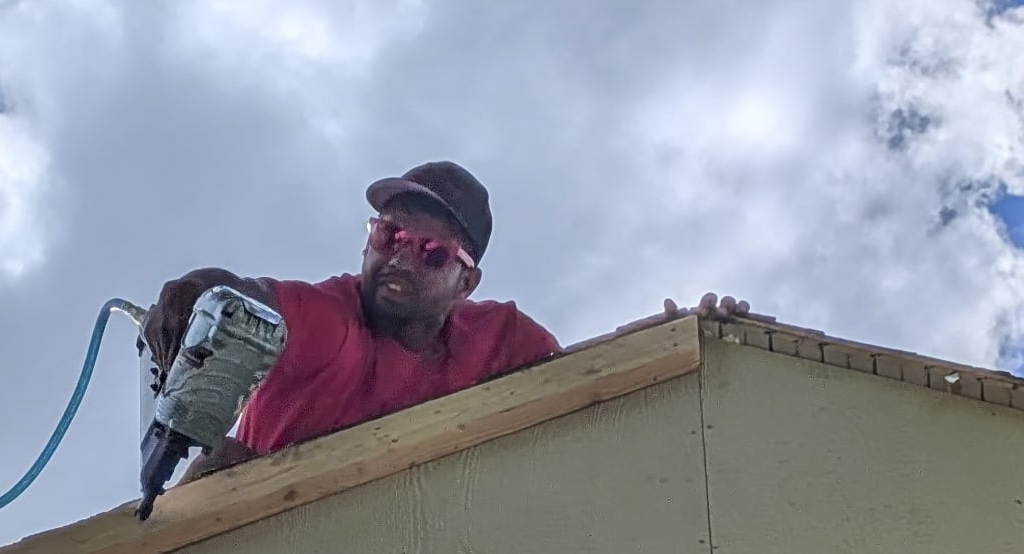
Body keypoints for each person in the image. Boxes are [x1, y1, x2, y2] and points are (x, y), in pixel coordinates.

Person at [139, 160, 749, 482]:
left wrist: (681, 338)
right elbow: (252, 299)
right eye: (390, 233)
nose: (401, 254)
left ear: (467, 280)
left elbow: (586, 390)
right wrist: (199, 290)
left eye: (431, 251)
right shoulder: (330, 322)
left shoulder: (504, 341)